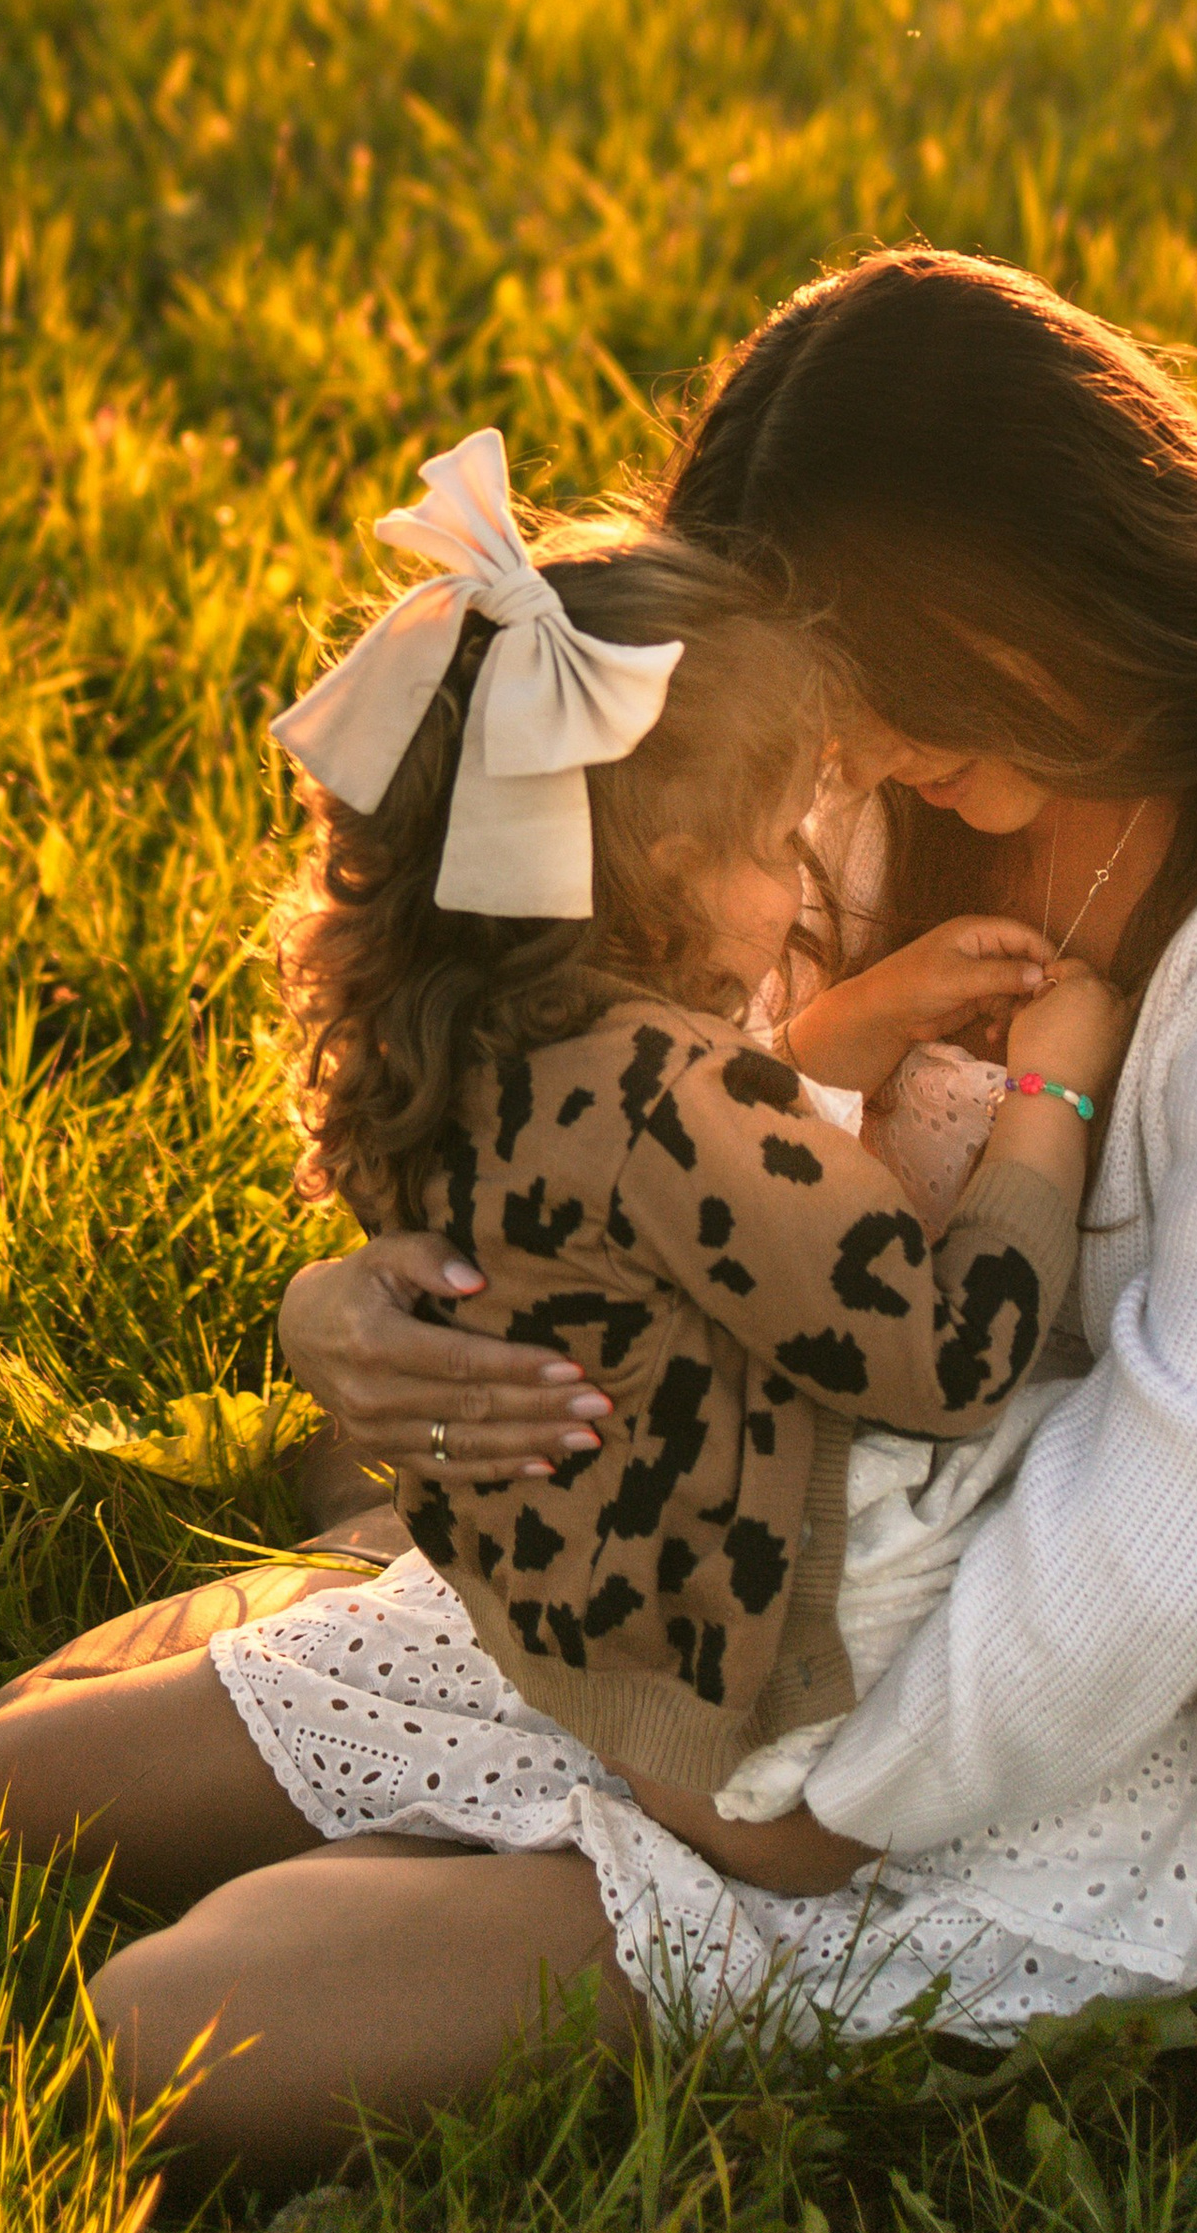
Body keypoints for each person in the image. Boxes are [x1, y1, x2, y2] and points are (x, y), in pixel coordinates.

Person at [0, 255, 1197, 2180]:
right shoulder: (888, 771)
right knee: (20, 1782)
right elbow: (645, 1125)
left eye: (893, 681)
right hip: (737, 1555)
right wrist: (363, 1309)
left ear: (1053, 576)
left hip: (1039, 1702)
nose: (869, 757)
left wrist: (829, 1804)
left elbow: (1187, 1503)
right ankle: (444, 1693)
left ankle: (557, 1870)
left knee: (160, 2049)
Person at [245, 422, 1124, 1813]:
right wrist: (1049, 1099)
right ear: (669, 871)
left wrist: (838, 1033)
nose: (796, 886)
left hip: (550, 1601)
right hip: (745, 1656)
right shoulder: (671, 1099)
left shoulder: (466, 1031)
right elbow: (952, 1364)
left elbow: (674, 1212)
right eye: (781, 848)